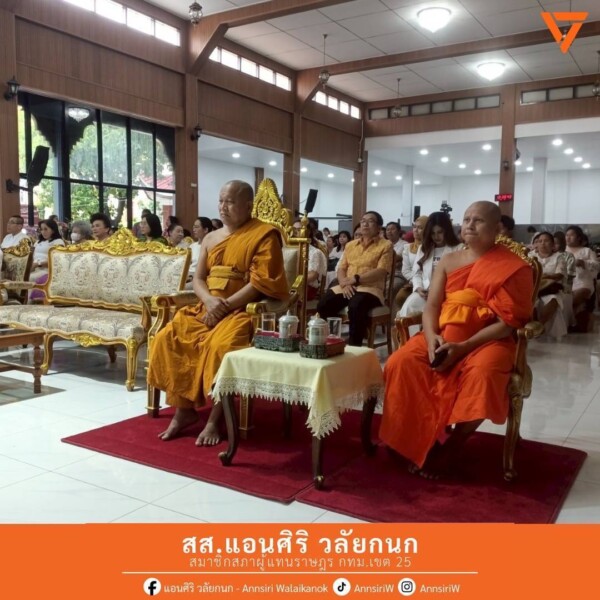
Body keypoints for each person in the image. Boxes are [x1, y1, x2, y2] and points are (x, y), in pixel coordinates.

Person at [380, 201, 534, 478]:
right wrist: (431, 339)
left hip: (487, 341)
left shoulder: (514, 266)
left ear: (497, 228)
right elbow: (432, 306)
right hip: (442, 333)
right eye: (466, 219)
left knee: (484, 374)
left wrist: (463, 347)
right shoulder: (449, 261)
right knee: (399, 363)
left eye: (478, 220)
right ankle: (410, 437)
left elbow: (508, 322)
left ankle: (453, 445)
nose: (470, 225)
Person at [147, 181, 289, 446]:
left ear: (248, 206)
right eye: (221, 201)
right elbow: (199, 278)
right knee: (169, 337)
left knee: (220, 346)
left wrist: (224, 307)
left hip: (240, 310)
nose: (223, 207)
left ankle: (215, 417)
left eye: (230, 202)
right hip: (207, 306)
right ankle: (183, 410)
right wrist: (210, 302)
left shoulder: (264, 235)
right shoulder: (211, 238)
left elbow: (259, 283)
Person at [316, 211, 393, 346]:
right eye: (363, 221)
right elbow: (341, 268)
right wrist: (344, 283)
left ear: (379, 227)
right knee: (323, 303)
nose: (365, 224)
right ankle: (331, 341)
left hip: (370, 289)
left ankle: (354, 347)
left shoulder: (385, 245)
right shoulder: (351, 245)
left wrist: (356, 279)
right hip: (347, 286)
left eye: (370, 221)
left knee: (356, 305)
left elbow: (382, 271)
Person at [398, 212, 462, 319]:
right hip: (425, 292)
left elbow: (459, 277)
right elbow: (417, 273)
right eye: (432, 233)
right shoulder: (424, 248)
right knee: (410, 308)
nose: (436, 237)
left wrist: (438, 292)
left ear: (447, 231)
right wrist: (418, 287)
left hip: (448, 293)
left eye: (440, 232)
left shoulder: (459, 248)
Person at [531, 232, 568, 339]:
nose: (543, 243)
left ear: (552, 245)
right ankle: (530, 326)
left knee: (553, 299)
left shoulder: (559, 257)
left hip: (551, 289)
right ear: (536, 244)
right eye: (540, 241)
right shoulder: (530, 256)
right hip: (533, 288)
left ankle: (539, 326)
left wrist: (545, 276)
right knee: (530, 301)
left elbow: (560, 275)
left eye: (546, 241)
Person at [395, 215, 428, 312]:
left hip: (428, 282)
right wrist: (415, 282)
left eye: (420, 228)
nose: (416, 230)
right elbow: (405, 270)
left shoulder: (432, 247)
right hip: (412, 282)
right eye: (414, 227)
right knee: (400, 296)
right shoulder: (407, 247)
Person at [565, 225, 599, 318]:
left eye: (571, 235)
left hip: (583, 282)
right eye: (567, 235)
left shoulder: (587, 251)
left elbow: (597, 266)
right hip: (565, 283)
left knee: (573, 297)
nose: (568, 237)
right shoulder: (562, 251)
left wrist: (583, 263)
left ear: (579, 237)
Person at [187, 217, 214, 282]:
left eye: (196, 227)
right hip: (187, 274)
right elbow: (187, 264)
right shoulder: (192, 246)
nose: (194, 230)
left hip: (200, 277)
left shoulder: (211, 247)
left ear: (205, 230)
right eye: (193, 227)